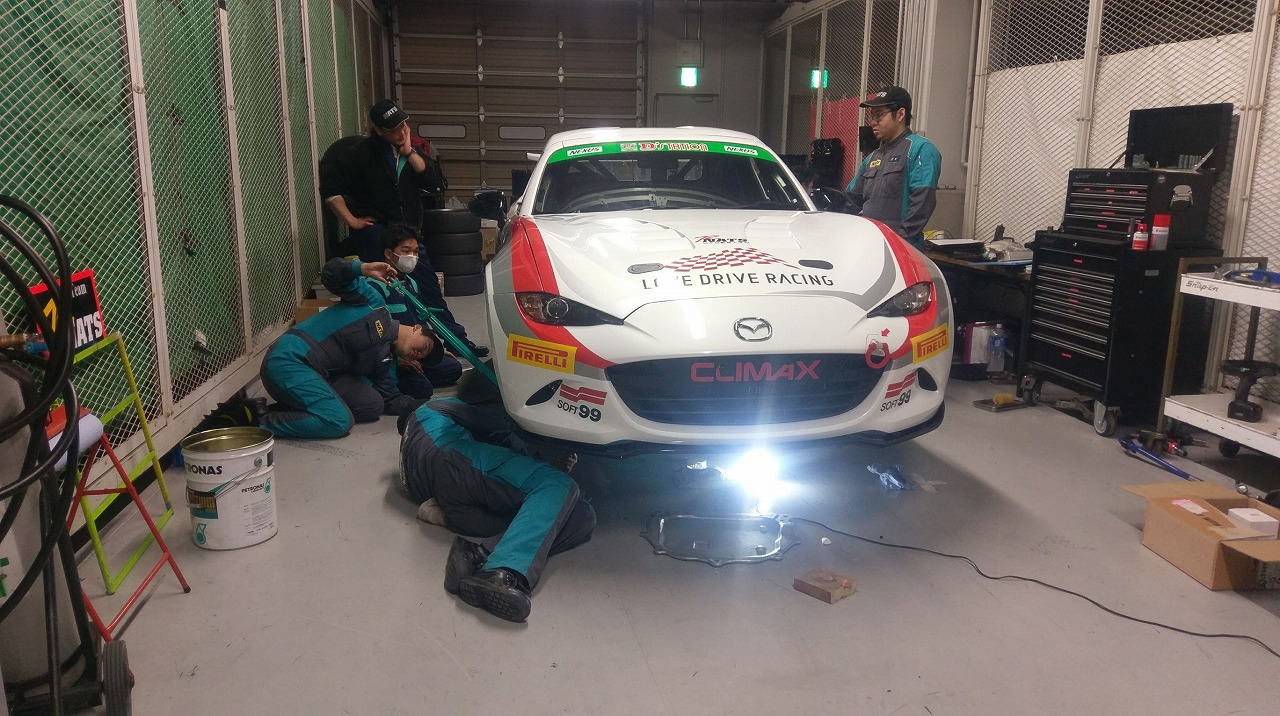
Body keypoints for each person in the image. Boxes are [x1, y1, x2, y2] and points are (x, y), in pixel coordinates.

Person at [398, 373, 595, 622]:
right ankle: (500, 571)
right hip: (460, 462)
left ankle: (477, 555)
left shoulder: (407, 457)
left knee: (581, 516)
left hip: (455, 506)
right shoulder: (433, 407)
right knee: (557, 484)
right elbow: (495, 428)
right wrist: (537, 463)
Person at [318, 99, 490, 358]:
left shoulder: (411, 154)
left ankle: (457, 342)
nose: (400, 131)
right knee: (383, 293)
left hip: (407, 235)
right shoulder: (357, 154)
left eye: (403, 125)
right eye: (393, 128)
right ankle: (389, 350)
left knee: (428, 289)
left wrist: (410, 152)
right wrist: (351, 220)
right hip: (375, 234)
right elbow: (331, 191)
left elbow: (436, 184)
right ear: (378, 130)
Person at [258, 257, 442, 440]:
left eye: (420, 357)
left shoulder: (385, 361)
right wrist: (360, 268)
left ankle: (279, 410)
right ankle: (257, 422)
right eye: (424, 347)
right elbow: (331, 274)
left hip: (321, 375)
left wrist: (436, 406)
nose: (417, 354)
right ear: (417, 328)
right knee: (338, 421)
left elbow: (391, 399)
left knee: (372, 404)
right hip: (290, 359)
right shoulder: (373, 303)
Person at [371, 223, 464, 398]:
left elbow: (420, 322)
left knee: (452, 368)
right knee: (422, 389)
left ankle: (416, 374)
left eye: (415, 252)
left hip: (414, 352)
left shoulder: (411, 284)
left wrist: (430, 349)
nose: (412, 257)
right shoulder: (376, 287)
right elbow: (373, 335)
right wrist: (399, 360)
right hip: (390, 357)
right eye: (406, 251)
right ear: (389, 254)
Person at [845, 86, 942, 247]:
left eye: (879, 115)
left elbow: (922, 203)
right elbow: (851, 199)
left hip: (900, 249)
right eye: (872, 116)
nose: (873, 122)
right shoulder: (873, 157)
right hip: (869, 246)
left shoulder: (920, 149)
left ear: (900, 114)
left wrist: (899, 243)